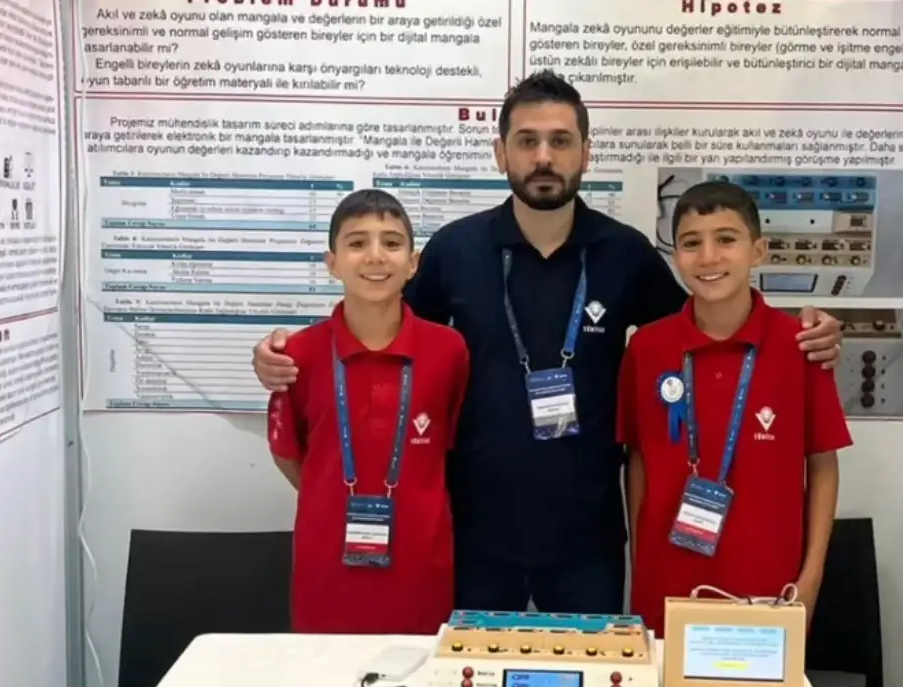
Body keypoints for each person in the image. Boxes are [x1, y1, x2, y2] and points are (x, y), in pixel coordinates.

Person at [252, 71, 844, 615]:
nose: (543, 156)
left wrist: (804, 330)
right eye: (527, 140)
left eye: (560, 141)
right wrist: (287, 355)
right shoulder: (455, 251)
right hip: (475, 535)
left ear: (586, 153)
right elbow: (380, 335)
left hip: (587, 539)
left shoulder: (625, 253)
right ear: (500, 152)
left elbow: (709, 323)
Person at [617, 180, 852, 632]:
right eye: (691, 243)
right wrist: (641, 565)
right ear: (675, 256)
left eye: (726, 239)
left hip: (769, 589)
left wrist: (811, 580)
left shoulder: (800, 346)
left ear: (758, 251)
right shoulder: (646, 349)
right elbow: (639, 459)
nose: (708, 257)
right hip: (667, 588)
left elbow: (823, 466)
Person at [266, 189, 469, 634]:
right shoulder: (298, 354)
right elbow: (288, 454)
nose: (375, 256)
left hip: (421, 567)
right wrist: (333, 496)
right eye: (357, 243)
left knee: (417, 673)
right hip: (327, 568)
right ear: (332, 262)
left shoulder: (449, 350)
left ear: (413, 263)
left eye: (391, 243)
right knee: (322, 671)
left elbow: (450, 446)